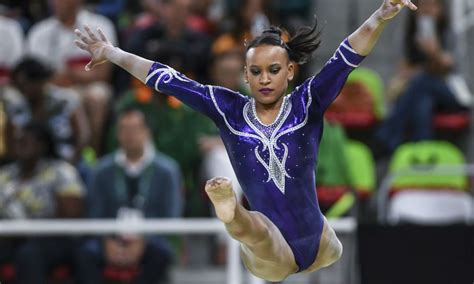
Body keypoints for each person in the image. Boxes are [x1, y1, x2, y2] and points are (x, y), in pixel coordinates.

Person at [73, 0, 417, 280]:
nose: (264, 79)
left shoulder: (307, 102)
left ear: (290, 71)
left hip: (318, 240)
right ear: (245, 75)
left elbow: (347, 56)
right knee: (260, 232)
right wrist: (113, 53)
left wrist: (381, 15)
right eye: (255, 72)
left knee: (329, 249)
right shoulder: (229, 109)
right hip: (269, 251)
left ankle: (238, 216)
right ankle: (231, 210)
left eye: (273, 70)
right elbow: (167, 79)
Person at [77, 107, 182, 284]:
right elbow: (95, 213)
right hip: (110, 238)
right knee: (86, 253)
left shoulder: (167, 170)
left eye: (134, 129)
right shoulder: (102, 170)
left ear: (146, 132)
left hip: (151, 238)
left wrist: (143, 240)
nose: (128, 135)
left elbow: (171, 215)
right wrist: (107, 241)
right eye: (123, 129)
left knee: (160, 253)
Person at [374, 0, 470, 156]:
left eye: (432, 5)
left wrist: (435, 53)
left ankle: (388, 136)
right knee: (423, 103)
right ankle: (423, 153)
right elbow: (403, 70)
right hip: (422, 92)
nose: (427, 10)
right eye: (423, 6)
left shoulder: (450, 32)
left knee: (422, 81)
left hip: (452, 93)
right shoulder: (408, 34)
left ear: (441, 9)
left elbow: (451, 67)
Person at [0, 122, 84, 284]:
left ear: (41, 145)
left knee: (28, 253)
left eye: (25, 141)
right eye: (17, 141)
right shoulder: (5, 175)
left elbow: (72, 216)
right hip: (8, 238)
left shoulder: (61, 172)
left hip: (52, 239)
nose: (19, 145)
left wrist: (28, 230)